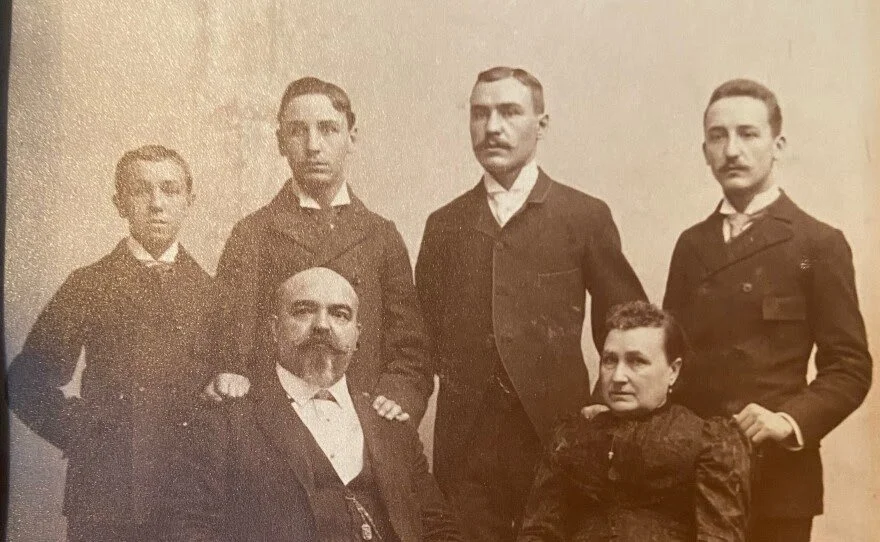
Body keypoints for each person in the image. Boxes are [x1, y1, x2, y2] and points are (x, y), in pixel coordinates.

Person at [415, 66, 646, 541]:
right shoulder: (444, 225)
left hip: (557, 445)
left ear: (541, 124)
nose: (492, 127)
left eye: (509, 112)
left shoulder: (583, 215)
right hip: (467, 456)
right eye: (480, 113)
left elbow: (630, 327)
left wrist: (602, 411)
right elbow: (421, 341)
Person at [663, 78, 872, 541]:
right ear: (704, 151)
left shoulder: (817, 244)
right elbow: (667, 357)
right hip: (690, 475)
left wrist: (789, 421)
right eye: (718, 136)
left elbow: (850, 367)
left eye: (748, 134)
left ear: (778, 146)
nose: (732, 150)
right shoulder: (691, 245)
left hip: (776, 482)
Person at [6, 145, 214, 541]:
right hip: (106, 498)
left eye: (170, 189)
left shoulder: (212, 292)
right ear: (119, 203)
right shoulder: (89, 284)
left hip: (191, 502)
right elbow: (24, 381)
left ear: (190, 200)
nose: (157, 204)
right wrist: (84, 432)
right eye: (141, 190)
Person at [167, 267, 464, 542]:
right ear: (274, 328)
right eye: (304, 311)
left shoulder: (391, 426)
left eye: (340, 314)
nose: (322, 325)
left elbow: (439, 530)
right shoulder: (227, 421)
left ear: (357, 335)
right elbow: (190, 530)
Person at [204, 76, 432, 424]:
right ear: (280, 142)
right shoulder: (252, 233)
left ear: (351, 137)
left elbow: (410, 351)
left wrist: (398, 394)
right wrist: (230, 377)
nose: (313, 146)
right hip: (277, 426)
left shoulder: (381, 236)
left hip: (361, 419)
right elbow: (228, 346)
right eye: (298, 131)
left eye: (328, 129)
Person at [518, 301, 751, 541]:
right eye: (610, 360)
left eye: (637, 362)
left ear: (673, 371)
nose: (618, 377)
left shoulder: (708, 442)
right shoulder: (572, 437)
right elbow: (539, 532)